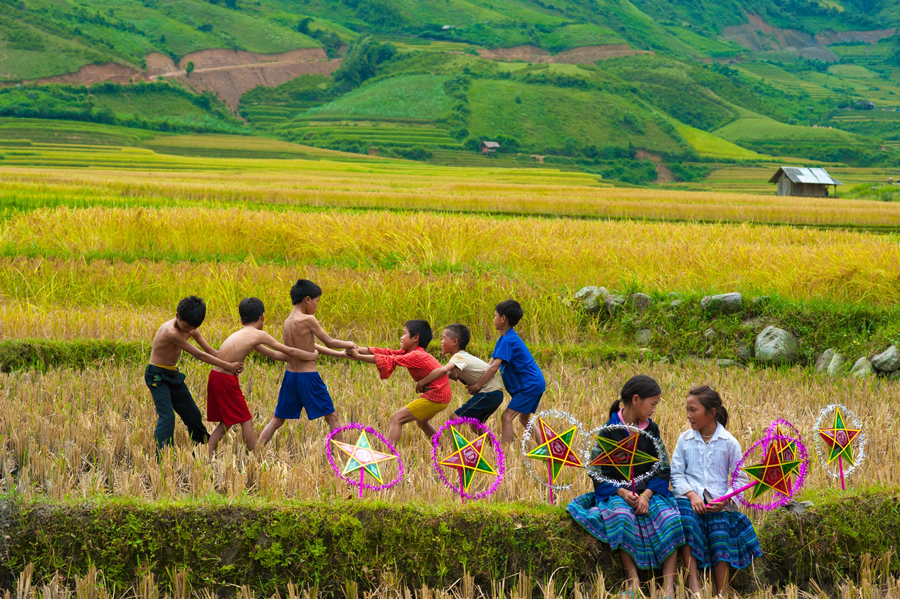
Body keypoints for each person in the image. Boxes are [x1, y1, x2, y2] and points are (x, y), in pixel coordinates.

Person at [567, 375, 684, 598]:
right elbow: (596, 470)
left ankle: (668, 587)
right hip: (617, 492)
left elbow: (662, 466)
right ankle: (633, 582)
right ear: (636, 400)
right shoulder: (608, 431)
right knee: (620, 515)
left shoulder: (652, 430)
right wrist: (621, 492)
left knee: (669, 517)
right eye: (653, 404)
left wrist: (647, 495)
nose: (653, 410)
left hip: (649, 491)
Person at [671, 385, 762, 597]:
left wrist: (726, 500)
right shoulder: (684, 440)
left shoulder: (729, 443)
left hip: (718, 503)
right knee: (687, 520)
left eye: (693, 410)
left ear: (711, 412)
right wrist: (691, 495)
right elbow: (676, 474)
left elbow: (739, 478)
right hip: (688, 500)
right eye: (687, 410)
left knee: (720, 530)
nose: (688, 416)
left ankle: (722, 592)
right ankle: (694, 587)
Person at [207, 297, 318, 457]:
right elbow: (289, 351)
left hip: (216, 376)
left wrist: (298, 357)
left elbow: (274, 354)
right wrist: (311, 355)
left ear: (241, 319)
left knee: (228, 421)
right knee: (245, 419)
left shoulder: (243, 334)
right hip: (225, 379)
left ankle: (209, 454)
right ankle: (254, 457)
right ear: (263, 316)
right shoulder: (259, 335)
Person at [258, 279, 355, 446]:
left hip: (291, 377)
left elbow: (310, 346)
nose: (317, 307)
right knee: (332, 417)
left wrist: (340, 354)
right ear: (307, 299)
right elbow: (328, 341)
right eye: (317, 302)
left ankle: (256, 450)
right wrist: (351, 344)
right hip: (308, 377)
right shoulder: (308, 320)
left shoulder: (287, 322)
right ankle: (342, 459)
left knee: (277, 419)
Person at [145, 296, 243, 453]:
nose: (188, 330)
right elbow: (199, 355)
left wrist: (228, 359)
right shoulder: (171, 332)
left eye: (192, 328)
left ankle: (203, 447)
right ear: (177, 316)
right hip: (157, 376)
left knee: (193, 413)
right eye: (186, 326)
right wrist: (228, 366)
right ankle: (162, 455)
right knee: (167, 416)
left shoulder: (191, 329)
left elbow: (210, 351)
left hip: (173, 375)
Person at [348, 319, 450, 446]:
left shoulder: (417, 355)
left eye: (404, 333)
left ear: (415, 338)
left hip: (436, 395)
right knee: (421, 422)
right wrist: (358, 349)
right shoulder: (410, 352)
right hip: (442, 395)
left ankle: (389, 455)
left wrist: (357, 356)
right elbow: (387, 352)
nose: (401, 337)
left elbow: (390, 359)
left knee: (396, 418)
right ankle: (443, 448)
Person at [466, 299, 545, 444]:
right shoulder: (503, 340)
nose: (493, 319)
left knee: (507, 417)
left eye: (495, 316)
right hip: (531, 384)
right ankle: (547, 449)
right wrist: (477, 380)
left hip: (529, 386)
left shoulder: (508, 341)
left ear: (503, 319)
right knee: (523, 418)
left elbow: (494, 367)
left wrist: (477, 386)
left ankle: (506, 452)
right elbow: (488, 366)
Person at [415, 324, 504, 432]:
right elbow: (446, 374)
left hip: (489, 393)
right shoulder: (462, 357)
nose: (441, 341)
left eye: (443, 337)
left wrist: (421, 383)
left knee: (454, 418)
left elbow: (443, 370)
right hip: (495, 394)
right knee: (476, 425)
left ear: (454, 341)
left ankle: (454, 449)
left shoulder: (458, 357)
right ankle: (496, 447)